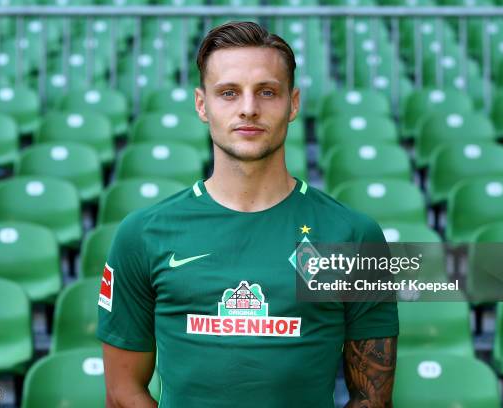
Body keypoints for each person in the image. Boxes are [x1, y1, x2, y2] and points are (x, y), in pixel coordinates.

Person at [97, 21, 398, 408]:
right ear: (202, 104)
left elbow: (372, 398)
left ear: (293, 103)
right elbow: (122, 392)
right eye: (228, 93)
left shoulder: (352, 235)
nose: (249, 108)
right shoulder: (142, 234)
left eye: (267, 92)